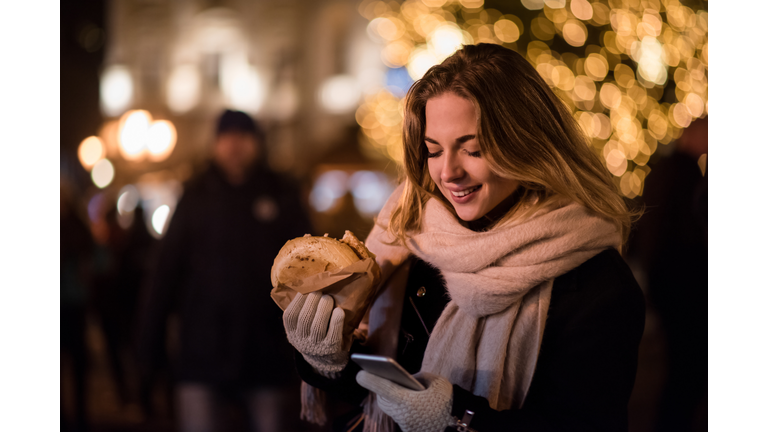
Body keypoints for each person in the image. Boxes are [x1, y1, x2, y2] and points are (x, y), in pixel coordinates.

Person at [282, 44, 645, 432]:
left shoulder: (598, 283)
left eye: (472, 149)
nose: (448, 172)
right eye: (434, 151)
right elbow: (376, 393)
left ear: (527, 142)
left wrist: (459, 418)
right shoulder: (408, 237)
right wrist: (327, 358)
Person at [138, 109, 313, 432]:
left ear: (256, 142)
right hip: (202, 354)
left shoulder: (281, 193)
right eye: (226, 138)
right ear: (215, 144)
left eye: (242, 137)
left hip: (266, 355)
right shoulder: (195, 196)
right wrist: (150, 352)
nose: (234, 146)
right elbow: (165, 275)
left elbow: (311, 269)